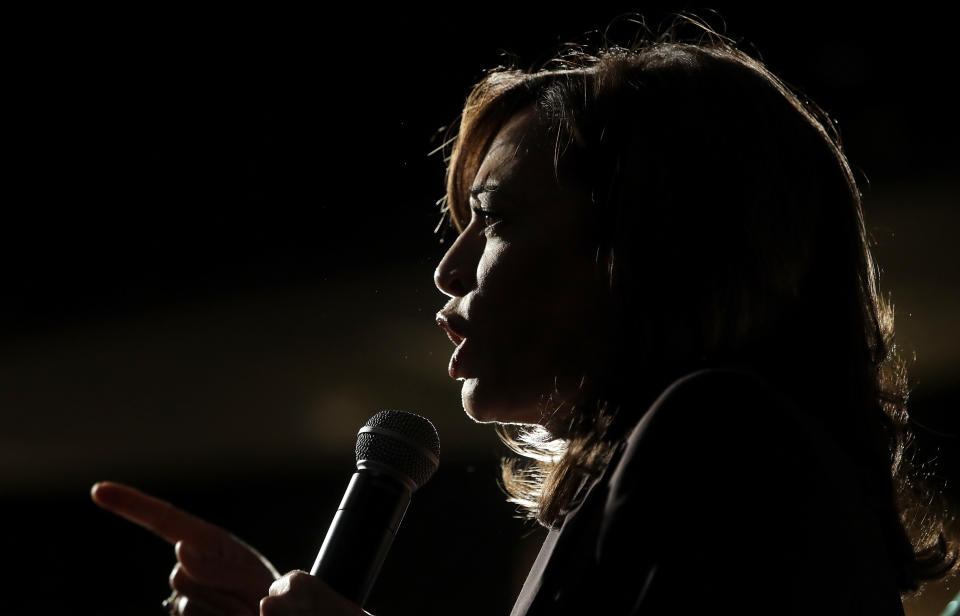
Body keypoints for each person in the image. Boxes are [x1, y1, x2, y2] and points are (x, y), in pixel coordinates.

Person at [91, 18, 958, 615]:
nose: (449, 268)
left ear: (641, 241)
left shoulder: (719, 435)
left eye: (495, 218)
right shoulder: (683, 465)